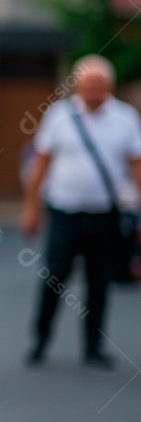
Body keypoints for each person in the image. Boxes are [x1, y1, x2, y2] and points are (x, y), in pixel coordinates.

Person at [21, 55, 141, 369]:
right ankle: (41, 337)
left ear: (109, 88)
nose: (94, 92)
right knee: (55, 275)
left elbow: (136, 165)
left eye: (100, 86)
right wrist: (31, 207)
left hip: (105, 212)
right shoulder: (60, 116)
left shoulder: (125, 118)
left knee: (99, 280)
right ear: (76, 87)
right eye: (89, 86)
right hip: (65, 210)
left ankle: (94, 345)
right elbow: (41, 163)